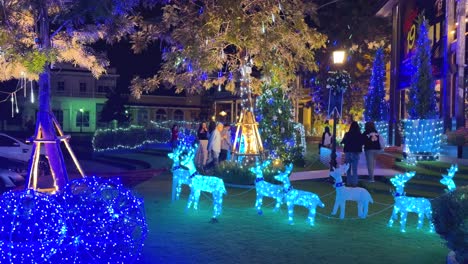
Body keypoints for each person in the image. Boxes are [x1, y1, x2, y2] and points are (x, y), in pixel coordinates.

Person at [341, 121, 364, 187]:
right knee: (354, 169)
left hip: (348, 151)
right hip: (356, 152)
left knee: (348, 168)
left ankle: (348, 182)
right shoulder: (360, 135)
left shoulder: (347, 134)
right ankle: (354, 183)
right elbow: (362, 143)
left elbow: (343, 141)